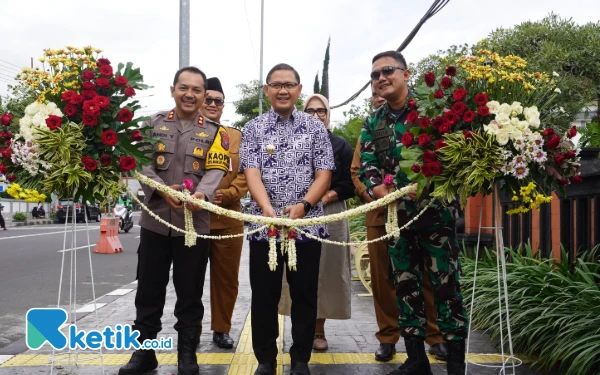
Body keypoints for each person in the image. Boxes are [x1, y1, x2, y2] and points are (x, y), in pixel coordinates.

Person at [359, 51, 469, 375]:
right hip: (397, 219)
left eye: (388, 70)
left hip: (435, 216)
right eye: (375, 74)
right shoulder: (373, 121)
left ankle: (456, 363)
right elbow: (368, 164)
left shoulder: (432, 111)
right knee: (405, 286)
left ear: (406, 75)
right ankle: (416, 361)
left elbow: (454, 151)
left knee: (445, 287)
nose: (381, 78)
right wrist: (377, 188)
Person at [119, 66, 230, 375]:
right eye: (184, 88)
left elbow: (216, 171)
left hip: (194, 227)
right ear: (173, 90)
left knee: (190, 293)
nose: (189, 94)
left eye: (197, 90)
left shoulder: (215, 132)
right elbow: (138, 161)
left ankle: (187, 355)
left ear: (204, 94)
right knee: (148, 291)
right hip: (155, 221)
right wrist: (161, 189)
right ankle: (143, 354)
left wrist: (202, 196)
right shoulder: (152, 124)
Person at [239, 63, 334, 375]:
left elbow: (324, 174)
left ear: (299, 89)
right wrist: (266, 208)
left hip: (306, 226)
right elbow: (251, 172)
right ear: (266, 90)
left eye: (289, 84)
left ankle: (300, 360)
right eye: (276, 84)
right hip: (262, 227)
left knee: (304, 294)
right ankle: (265, 359)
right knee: (263, 294)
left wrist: (304, 205)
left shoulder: (315, 128)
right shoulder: (252, 128)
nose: (283, 90)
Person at [350, 89, 448, 362]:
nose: (380, 98)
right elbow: (357, 172)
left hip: (417, 212)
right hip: (380, 214)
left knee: (424, 275)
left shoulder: (419, 121)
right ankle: (388, 337)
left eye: (384, 94)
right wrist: (372, 194)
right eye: (375, 96)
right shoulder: (370, 127)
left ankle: (434, 336)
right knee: (382, 279)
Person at [278, 93, 354, 351]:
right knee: (296, 271)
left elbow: (350, 182)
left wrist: (322, 198)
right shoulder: (290, 142)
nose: (316, 115)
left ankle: (318, 330)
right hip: (296, 215)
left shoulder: (340, 145)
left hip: (330, 213)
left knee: (327, 273)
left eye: (321, 111)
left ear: (328, 114)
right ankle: (300, 328)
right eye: (310, 111)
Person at [200, 77, 248, 349]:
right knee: (190, 280)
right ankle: (191, 329)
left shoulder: (235, 136)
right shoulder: (190, 133)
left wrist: (228, 194)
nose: (213, 104)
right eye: (208, 99)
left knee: (227, 281)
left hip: (228, 219)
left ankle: (221, 329)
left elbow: (246, 174)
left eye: (218, 101)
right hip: (194, 219)